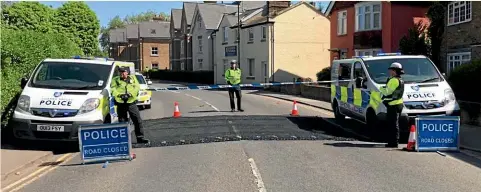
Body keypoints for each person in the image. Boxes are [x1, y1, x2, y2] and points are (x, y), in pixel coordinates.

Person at [111, 67, 150, 144]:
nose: (121, 74)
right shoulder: (115, 79)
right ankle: (123, 140)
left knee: (137, 120)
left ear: (127, 72)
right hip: (121, 103)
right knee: (122, 122)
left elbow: (137, 87)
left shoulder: (132, 78)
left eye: (123, 72)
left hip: (131, 102)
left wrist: (130, 94)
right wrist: (120, 95)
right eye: (120, 72)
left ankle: (140, 138)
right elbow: (113, 89)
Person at [380, 62, 405, 148]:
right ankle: (394, 141)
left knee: (392, 125)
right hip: (398, 104)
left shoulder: (393, 80)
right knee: (395, 124)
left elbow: (387, 92)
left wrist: (381, 88)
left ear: (394, 71)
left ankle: (393, 142)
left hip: (393, 105)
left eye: (391, 70)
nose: (389, 72)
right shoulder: (400, 80)